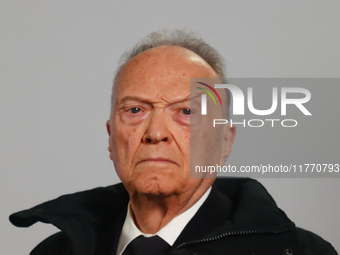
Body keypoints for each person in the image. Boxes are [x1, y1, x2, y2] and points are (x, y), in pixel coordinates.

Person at [10, 30, 337, 255]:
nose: (155, 132)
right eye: (135, 109)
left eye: (185, 111)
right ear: (111, 137)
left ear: (224, 142)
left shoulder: (302, 252)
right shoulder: (55, 251)